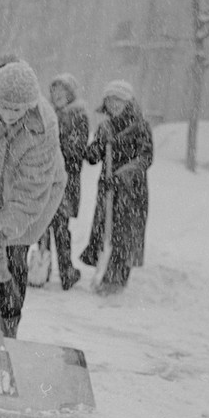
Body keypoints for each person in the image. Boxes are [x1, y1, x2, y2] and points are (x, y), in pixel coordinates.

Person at [0, 59, 66, 338]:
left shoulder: (43, 127)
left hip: (38, 188)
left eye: (16, 109)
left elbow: (28, 196)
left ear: (29, 105)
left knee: (12, 246)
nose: (8, 114)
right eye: (3, 106)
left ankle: (9, 324)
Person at [79, 79, 153, 294]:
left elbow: (145, 158)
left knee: (124, 235)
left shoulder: (141, 127)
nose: (114, 105)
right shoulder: (105, 127)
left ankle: (116, 280)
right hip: (108, 190)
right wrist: (90, 152)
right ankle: (104, 273)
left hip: (131, 191)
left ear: (128, 102)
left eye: (119, 100)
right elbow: (96, 153)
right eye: (110, 101)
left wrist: (122, 176)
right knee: (106, 233)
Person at [30, 73, 90, 290]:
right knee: (42, 221)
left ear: (71, 94)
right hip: (45, 175)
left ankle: (65, 269)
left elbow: (77, 149)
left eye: (62, 92)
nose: (57, 96)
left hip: (65, 178)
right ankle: (42, 266)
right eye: (54, 91)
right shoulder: (45, 114)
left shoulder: (78, 117)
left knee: (60, 224)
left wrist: (56, 148)